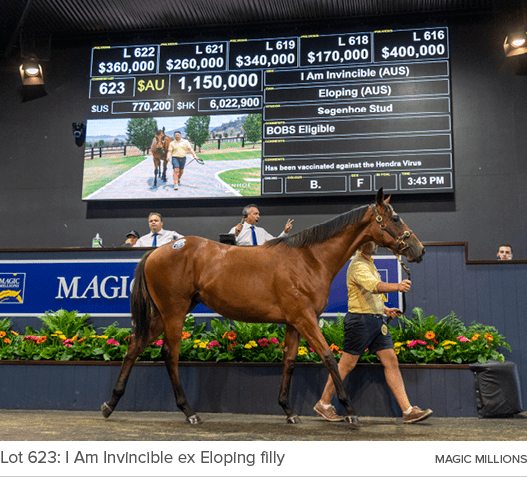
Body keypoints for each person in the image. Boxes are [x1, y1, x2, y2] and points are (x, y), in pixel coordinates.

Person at [313, 241, 433, 424]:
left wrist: (384, 310)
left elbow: (367, 295)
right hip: (359, 321)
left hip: (376, 320)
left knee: (391, 361)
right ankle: (324, 403)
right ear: (361, 246)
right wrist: (398, 286)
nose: (375, 245)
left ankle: (408, 410)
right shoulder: (358, 264)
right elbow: (373, 286)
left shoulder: (369, 262)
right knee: (346, 365)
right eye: (371, 242)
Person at [228, 204, 293, 246]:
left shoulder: (261, 231)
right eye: (255, 214)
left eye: (258, 214)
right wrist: (236, 235)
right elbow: (228, 246)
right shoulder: (236, 230)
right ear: (246, 216)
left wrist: (285, 231)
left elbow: (275, 242)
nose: (258, 216)